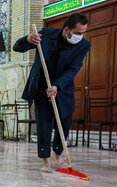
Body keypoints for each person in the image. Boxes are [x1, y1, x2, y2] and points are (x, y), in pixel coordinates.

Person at [13, 13, 91, 173]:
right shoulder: (47, 35)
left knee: (65, 121)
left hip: (63, 86)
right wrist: (28, 39)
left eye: (83, 33)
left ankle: (57, 152)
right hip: (42, 85)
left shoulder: (84, 45)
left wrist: (57, 85)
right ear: (67, 29)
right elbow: (17, 47)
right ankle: (45, 160)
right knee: (44, 123)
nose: (80, 36)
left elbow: (74, 68)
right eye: (77, 33)